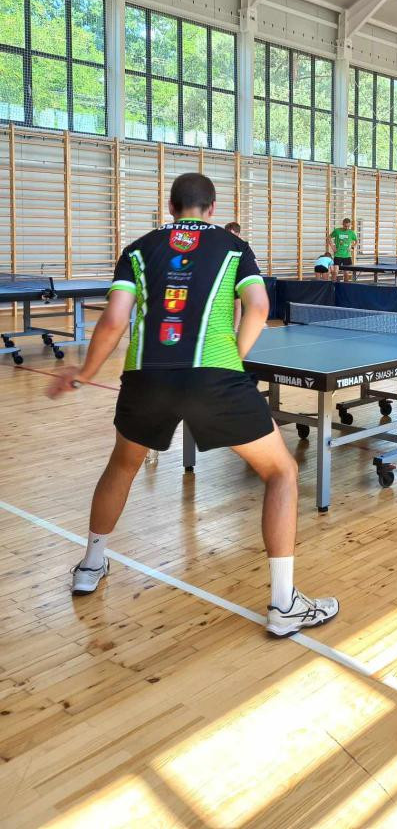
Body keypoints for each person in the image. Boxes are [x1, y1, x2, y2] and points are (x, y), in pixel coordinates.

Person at [47, 172, 338, 638]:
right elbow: (259, 307)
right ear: (212, 207)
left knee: (122, 466)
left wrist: (82, 372)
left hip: (146, 376)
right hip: (214, 375)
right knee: (281, 472)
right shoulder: (234, 247)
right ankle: (284, 604)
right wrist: (234, 358)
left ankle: (90, 564)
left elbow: (115, 320)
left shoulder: (138, 250)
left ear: (171, 205)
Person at [330, 217, 357, 282]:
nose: (347, 228)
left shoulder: (351, 232)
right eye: (345, 226)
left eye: (348, 226)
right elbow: (328, 238)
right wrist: (333, 247)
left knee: (346, 273)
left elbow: (356, 241)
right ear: (343, 224)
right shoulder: (337, 231)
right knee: (335, 272)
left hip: (347, 256)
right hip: (338, 254)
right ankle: (332, 286)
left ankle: (346, 286)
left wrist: (352, 247)